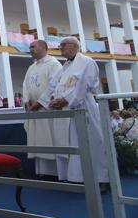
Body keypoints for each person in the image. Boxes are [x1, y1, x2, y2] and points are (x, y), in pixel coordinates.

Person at [38, 36, 110, 186]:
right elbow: (54, 85)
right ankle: (78, 177)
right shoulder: (65, 66)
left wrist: (65, 100)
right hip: (65, 111)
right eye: (60, 45)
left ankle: (100, 179)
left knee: (92, 142)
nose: (60, 47)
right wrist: (49, 101)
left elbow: (85, 85)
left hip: (83, 107)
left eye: (64, 44)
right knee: (73, 143)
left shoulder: (86, 62)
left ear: (75, 46)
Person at [22, 39, 62, 178]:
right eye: (29, 47)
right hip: (34, 110)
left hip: (46, 110)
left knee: (49, 139)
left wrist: (40, 103)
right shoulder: (31, 67)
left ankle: (55, 172)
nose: (30, 49)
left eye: (33, 46)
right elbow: (25, 85)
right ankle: (42, 172)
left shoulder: (54, 64)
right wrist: (26, 101)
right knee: (38, 140)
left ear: (44, 48)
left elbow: (54, 85)